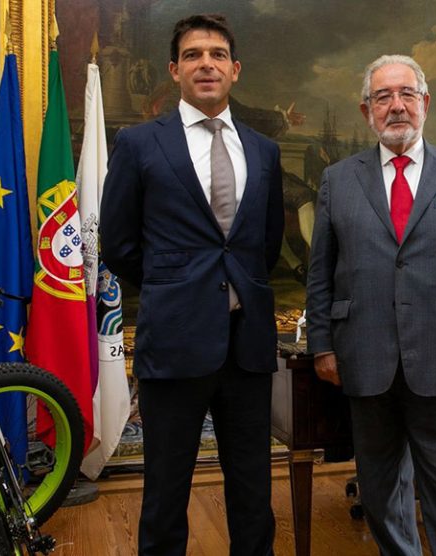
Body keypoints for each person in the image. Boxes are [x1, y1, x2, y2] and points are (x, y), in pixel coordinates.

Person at [306, 54, 436, 555]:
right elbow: (321, 271)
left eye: (406, 94)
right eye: (383, 97)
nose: (396, 106)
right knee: (380, 492)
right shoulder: (338, 180)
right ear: (367, 112)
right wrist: (321, 345)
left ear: (426, 103)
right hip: (364, 356)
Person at [100, 14, 284, 556]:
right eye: (194, 55)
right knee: (166, 488)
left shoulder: (265, 150)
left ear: (235, 70)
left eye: (218, 54)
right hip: (175, 341)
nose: (207, 64)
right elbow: (119, 244)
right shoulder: (138, 143)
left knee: (253, 488)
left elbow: (266, 245)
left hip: (247, 346)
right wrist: (176, 289)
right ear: (174, 70)